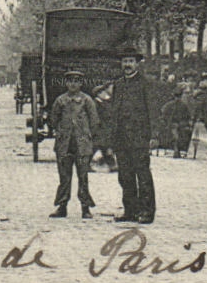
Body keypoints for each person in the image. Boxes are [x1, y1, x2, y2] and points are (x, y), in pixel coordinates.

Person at [109, 45, 156, 224]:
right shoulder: (118, 84)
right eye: (125, 61)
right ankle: (130, 210)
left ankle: (146, 211)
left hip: (139, 137)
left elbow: (152, 110)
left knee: (142, 175)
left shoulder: (146, 84)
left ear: (137, 64)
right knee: (125, 176)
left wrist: (153, 135)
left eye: (131, 61)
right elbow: (114, 111)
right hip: (121, 138)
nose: (127, 64)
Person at [49, 69, 100, 219]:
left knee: (83, 176)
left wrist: (87, 135)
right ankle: (62, 206)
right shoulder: (60, 101)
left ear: (81, 83)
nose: (73, 84)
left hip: (82, 144)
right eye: (70, 81)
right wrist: (61, 131)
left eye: (76, 81)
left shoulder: (87, 101)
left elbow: (94, 120)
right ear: (66, 83)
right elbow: (53, 119)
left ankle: (85, 207)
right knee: (64, 176)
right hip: (64, 144)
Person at [162, 84, 195, 158]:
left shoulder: (183, 106)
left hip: (181, 125)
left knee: (181, 131)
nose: (177, 98)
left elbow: (188, 116)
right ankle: (176, 148)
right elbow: (163, 115)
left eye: (179, 96)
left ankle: (177, 148)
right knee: (175, 131)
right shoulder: (169, 105)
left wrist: (188, 123)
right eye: (177, 96)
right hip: (172, 124)